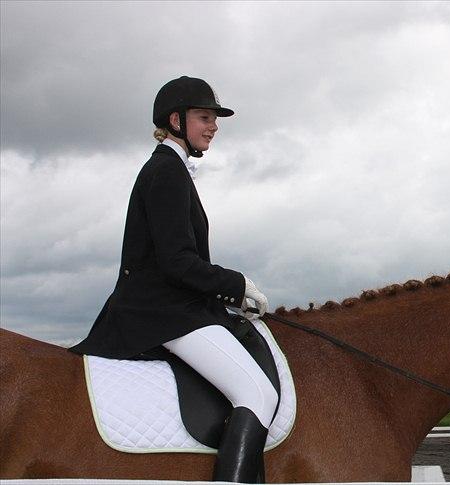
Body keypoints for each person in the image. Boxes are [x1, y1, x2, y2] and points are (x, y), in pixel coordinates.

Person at [70, 76, 278, 483]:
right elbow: (177, 263)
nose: (214, 126)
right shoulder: (166, 171)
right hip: (163, 313)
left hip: (170, 306)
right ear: (176, 121)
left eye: (215, 119)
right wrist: (237, 284)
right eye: (205, 117)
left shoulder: (172, 168)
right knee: (258, 393)